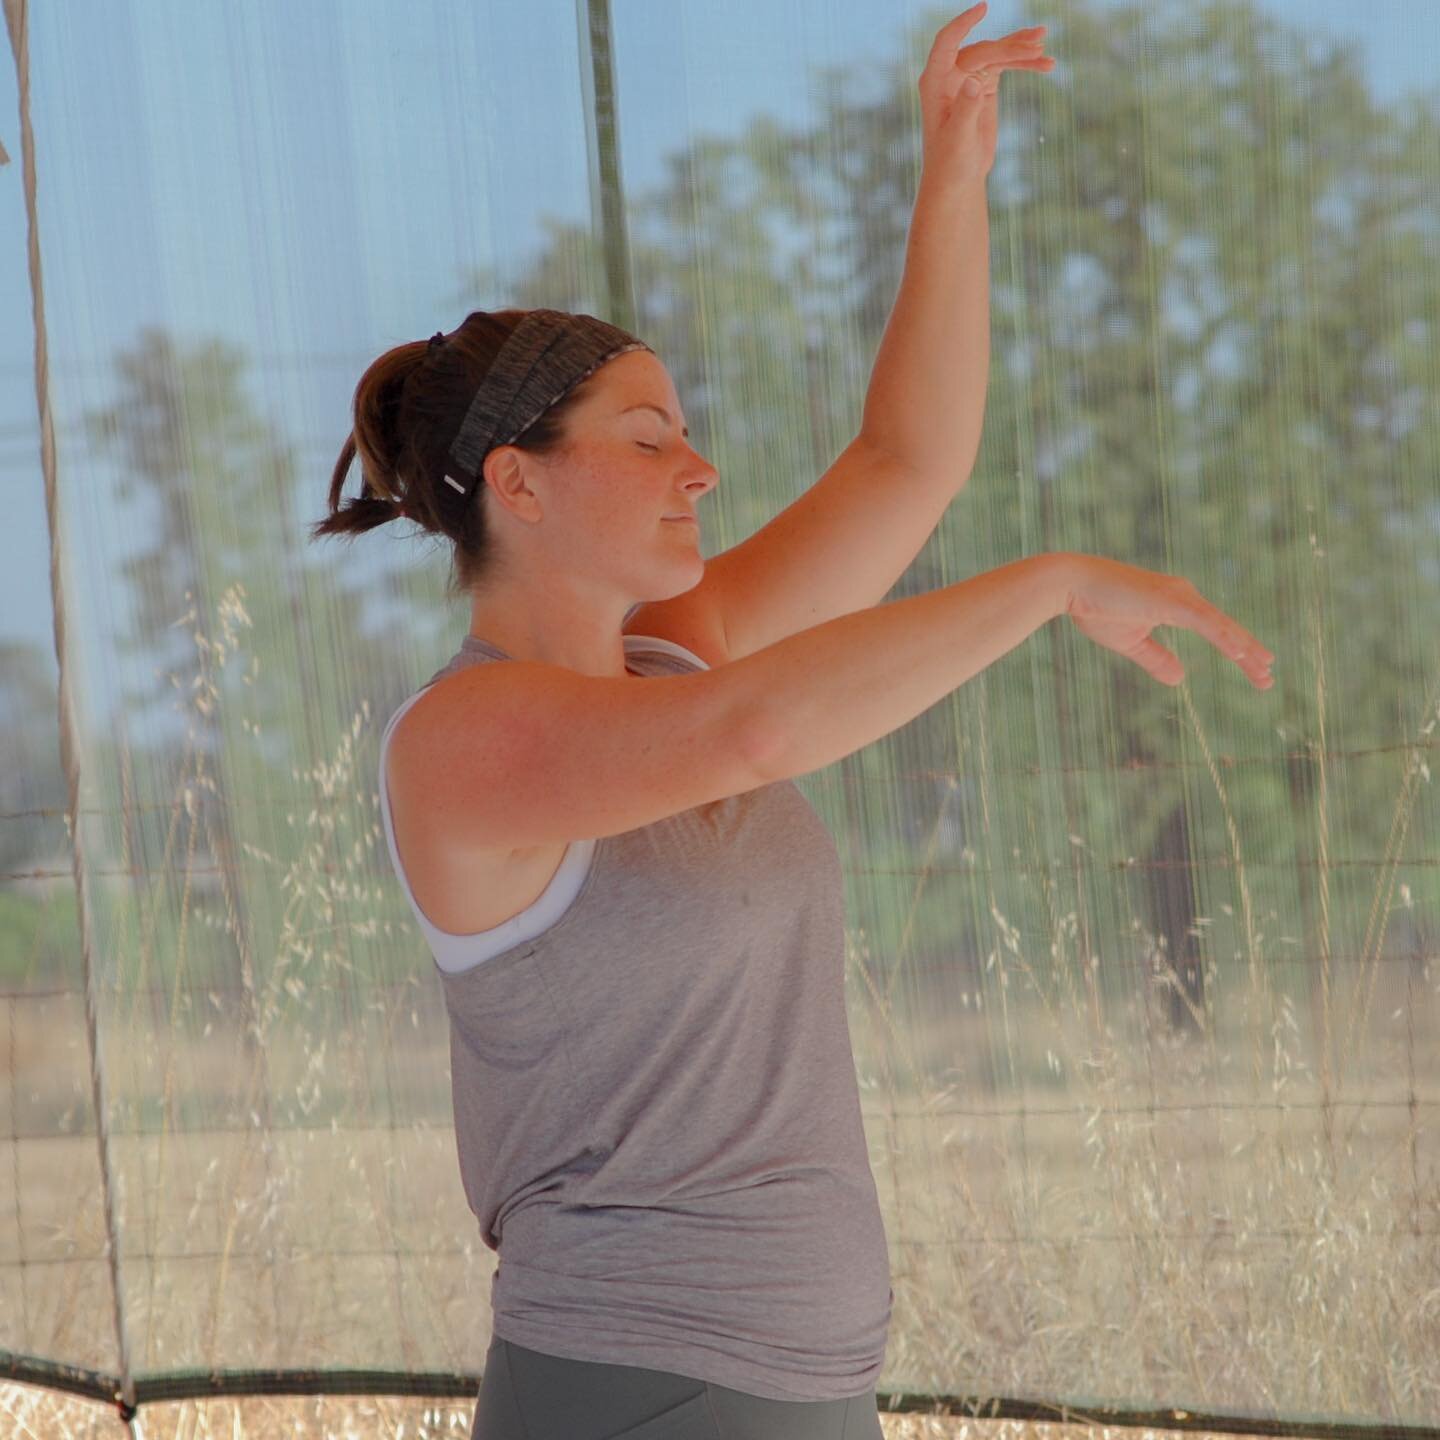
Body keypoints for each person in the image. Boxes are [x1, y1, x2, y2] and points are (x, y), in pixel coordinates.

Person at [312, 22, 1275, 1440]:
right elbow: (754, 734)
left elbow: (909, 462)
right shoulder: (463, 744)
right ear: (517, 484)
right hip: (633, 1388)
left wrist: (951, 171)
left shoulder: (662, 660)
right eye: (648, 439)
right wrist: (1054, 583)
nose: (698, 465)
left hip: (801, 1388)